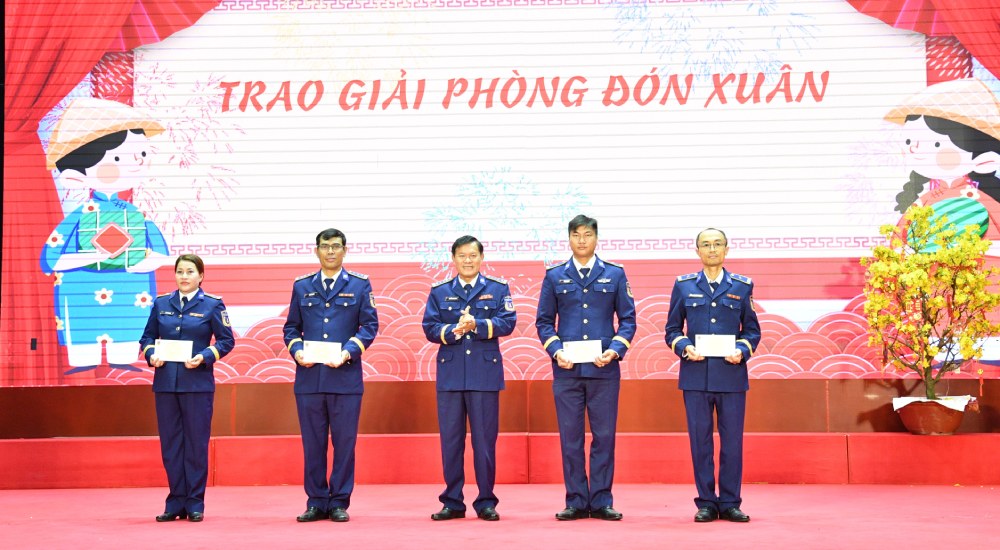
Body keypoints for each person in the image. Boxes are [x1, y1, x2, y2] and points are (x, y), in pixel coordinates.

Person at [41, 98, 172, 375]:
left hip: (129, 292)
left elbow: (161, 251)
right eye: (117, 158)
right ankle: (84, 361)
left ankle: (124, 358)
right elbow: (49, 259)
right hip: (83, 289)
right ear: (75, 176)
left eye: (142, 155)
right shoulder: (79, 216)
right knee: (83, 341)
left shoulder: (136, 215)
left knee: (127, 335)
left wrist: (146, 262)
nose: (136, 163)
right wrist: (90, 256)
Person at [535, 214, 636, 521]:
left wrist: (615, 351)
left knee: (604, 437)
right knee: (571, 438)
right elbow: (543, 322)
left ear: (596, 238)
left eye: (587, 235)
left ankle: (602, 500)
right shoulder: (554, 276)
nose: (582, 240)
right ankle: (577, 500)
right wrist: (556, 352)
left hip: (604, 370)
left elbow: (628, 320)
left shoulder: (615, 274)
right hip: (566, 371)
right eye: (576, 235)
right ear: (569, 239)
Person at [664, 228, 761, 523]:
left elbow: (752, 331)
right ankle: (706, 501)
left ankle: (730, 502)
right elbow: (671, 331)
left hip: (731, 375)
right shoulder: (683, 286)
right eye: (706, 245)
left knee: (732, 443)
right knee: (700, 442)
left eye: (717, 244)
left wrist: (742, 351)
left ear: (727, 249)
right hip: (695, 376)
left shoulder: (742, 286)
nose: (712, 249)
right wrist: (685, 347)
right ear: (697, 251)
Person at [284, 228, 379, 523]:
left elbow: (369, 327)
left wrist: (349, 351)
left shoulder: (361, 286)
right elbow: (290, 328)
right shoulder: (302, 286)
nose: (330, 251)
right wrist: (297, 351)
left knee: (344, 443)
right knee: (313, 443)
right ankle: (315, 501)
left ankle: (339, 501)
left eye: (336, 246)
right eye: (325, 246)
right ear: (317, 251)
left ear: (345, 250)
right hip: (310, 379)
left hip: (345, 378)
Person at [422, 235, 517, 522]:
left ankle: (486, 501)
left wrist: (477, 324)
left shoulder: (498, 289)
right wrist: (455, 331)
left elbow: (508, 322)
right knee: (451, 442)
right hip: (450, 376)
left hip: (484, 376)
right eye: (462, 255)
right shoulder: (439, 291)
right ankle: (452, 502)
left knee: (485, 443)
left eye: (472, 255)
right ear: (453, 258)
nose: (467, 260)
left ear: (481, 257)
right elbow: (429, 327)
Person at [139, 254, 235, 523]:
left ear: (200, 276)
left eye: (190, 272)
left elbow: (227, 341)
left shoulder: (213, 305)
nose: (184, 276)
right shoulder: (161, 304)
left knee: (195, 445)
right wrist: (151, 355)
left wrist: (205, 356)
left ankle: (194, 503)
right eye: (180, 271)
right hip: (166, 384)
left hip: (198, 385)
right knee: (171, 445)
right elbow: (147, 338)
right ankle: (175, 501)